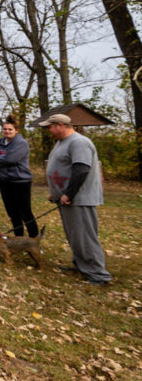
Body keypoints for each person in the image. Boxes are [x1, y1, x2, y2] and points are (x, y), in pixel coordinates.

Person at [40, 113, 112, 286]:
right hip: (67, 198)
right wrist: (56, 193)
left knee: (85, 237)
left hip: (79, 199)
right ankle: (81, 265)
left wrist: (69, 194)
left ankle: (98, 275)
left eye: (49, 127)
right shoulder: (62, 142)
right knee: (75, 236)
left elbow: (81, 170)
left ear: (60, 125)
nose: (48, 130)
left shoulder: (79, 142)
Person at [0, 115, 38, 237]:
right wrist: (0, 160)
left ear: (16, 130)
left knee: (25, 213)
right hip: (4, 181)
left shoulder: (21, 143)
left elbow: (11, 159)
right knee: (12, 212)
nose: (7, 131)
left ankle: (34, 241)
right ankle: (19, 238)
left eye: (10, 129)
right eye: (5, 129)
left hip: (20, 182)